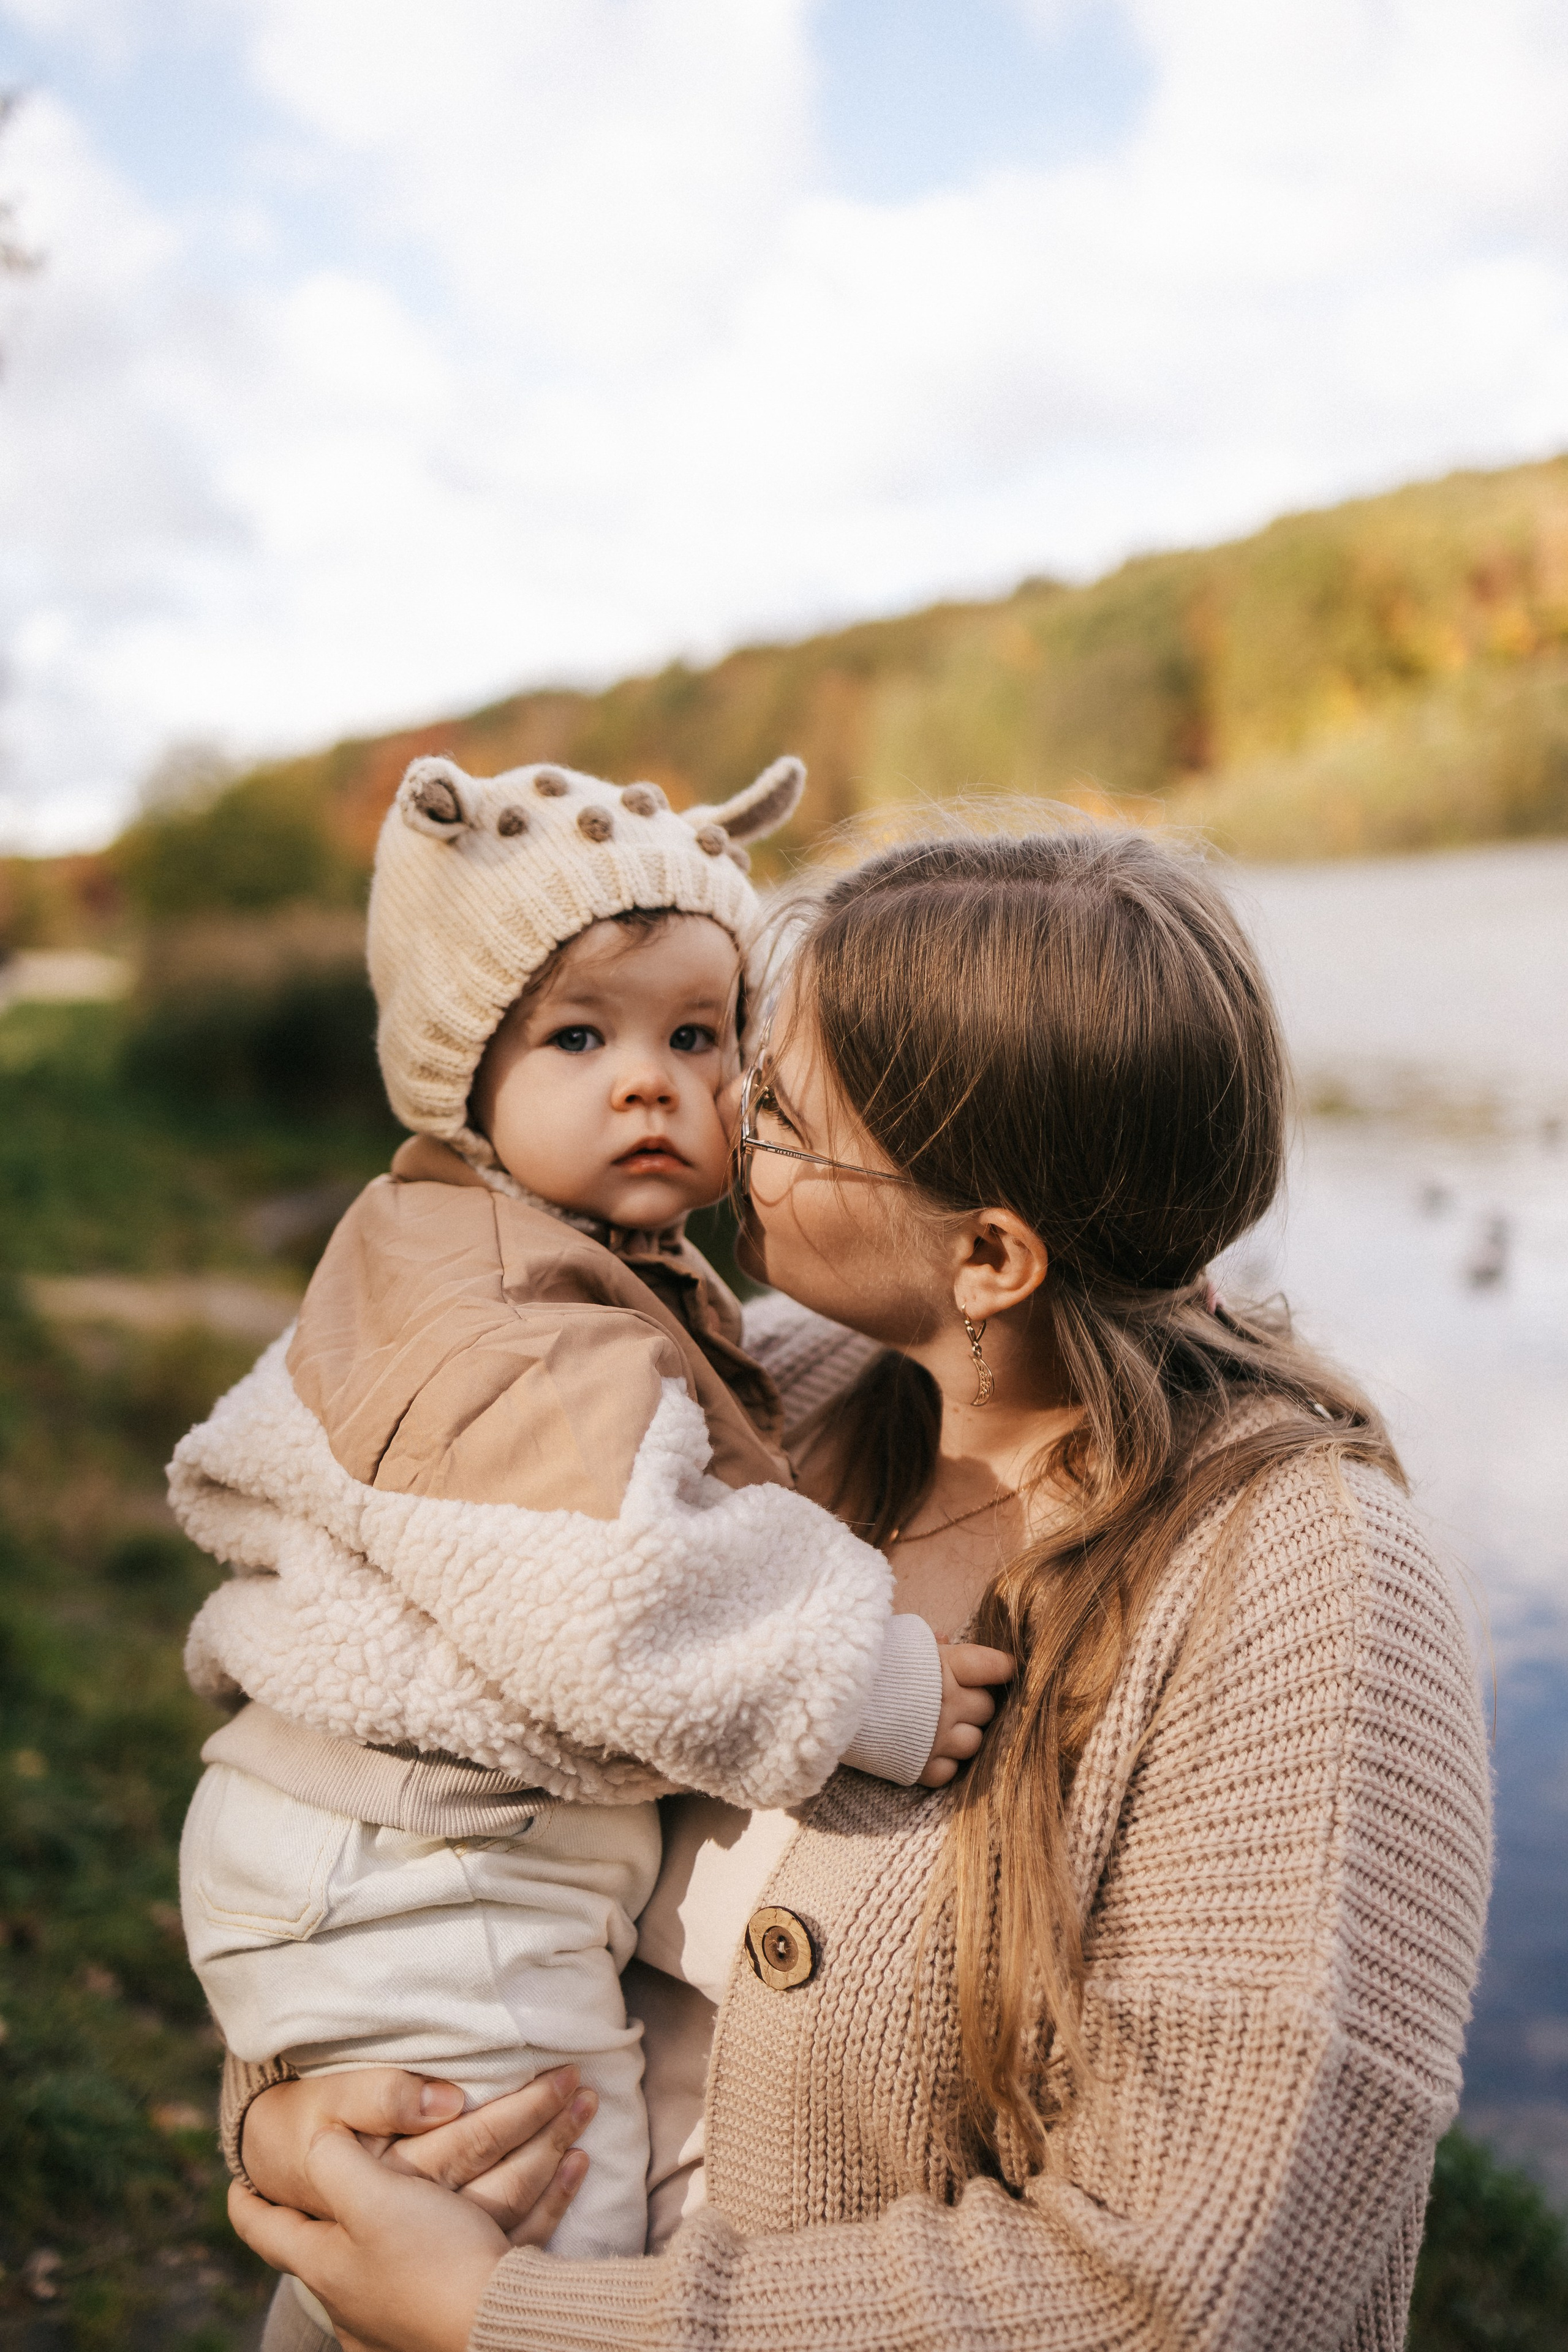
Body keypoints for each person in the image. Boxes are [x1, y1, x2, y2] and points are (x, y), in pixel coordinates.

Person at [221, 822, 1492, 2352]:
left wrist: (507, 2315)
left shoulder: (1298, 1592)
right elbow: (391, 1765)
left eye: (773, 1108)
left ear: (987, 1258)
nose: (705, 1112)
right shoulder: (771, 1403)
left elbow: (1185, 2296)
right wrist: (297, 2113)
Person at [170, 760, 1008, 2330]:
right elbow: (618, 1601)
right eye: (579, 1035)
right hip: (436, 1869)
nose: (649, 1081)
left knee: (421, 2222)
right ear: (458, 1073)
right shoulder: (507, 1319)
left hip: (399, 1849)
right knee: (546, 2234)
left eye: (697, 1037)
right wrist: (873, 1686)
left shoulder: (547, 1255)